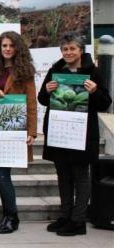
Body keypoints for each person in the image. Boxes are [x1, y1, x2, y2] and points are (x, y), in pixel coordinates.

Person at [38, 32, 111, 236]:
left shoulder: (93, 72)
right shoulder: (55, 70)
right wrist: (47, 89)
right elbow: (43, 99)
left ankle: (78, 220)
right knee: (63, 176)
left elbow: (105, 103)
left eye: (72, 48)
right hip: (59, 131)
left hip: (82, 133)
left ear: (81, 50)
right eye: (65, 49)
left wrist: (95, 91)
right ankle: (65, 215)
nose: (68, 52)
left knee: (81, 176)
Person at [0, 31, 37, 234]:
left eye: (11, 46)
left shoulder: (25, 71)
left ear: (18, 48)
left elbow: (31, 102)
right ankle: (8, 216)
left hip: (15, 129)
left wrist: (32, 131)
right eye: (3, 46)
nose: (7, 49)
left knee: (3, 175)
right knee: (0, 174)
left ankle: (12, 217)